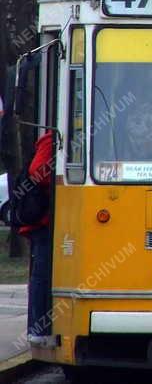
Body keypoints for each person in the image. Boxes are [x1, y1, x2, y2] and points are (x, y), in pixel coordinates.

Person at [19, 130, 54, 344]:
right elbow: (38, 170)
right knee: (41, 274)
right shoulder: (52, 139)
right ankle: (37, 328)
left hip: (47, 220)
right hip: (43, 222)